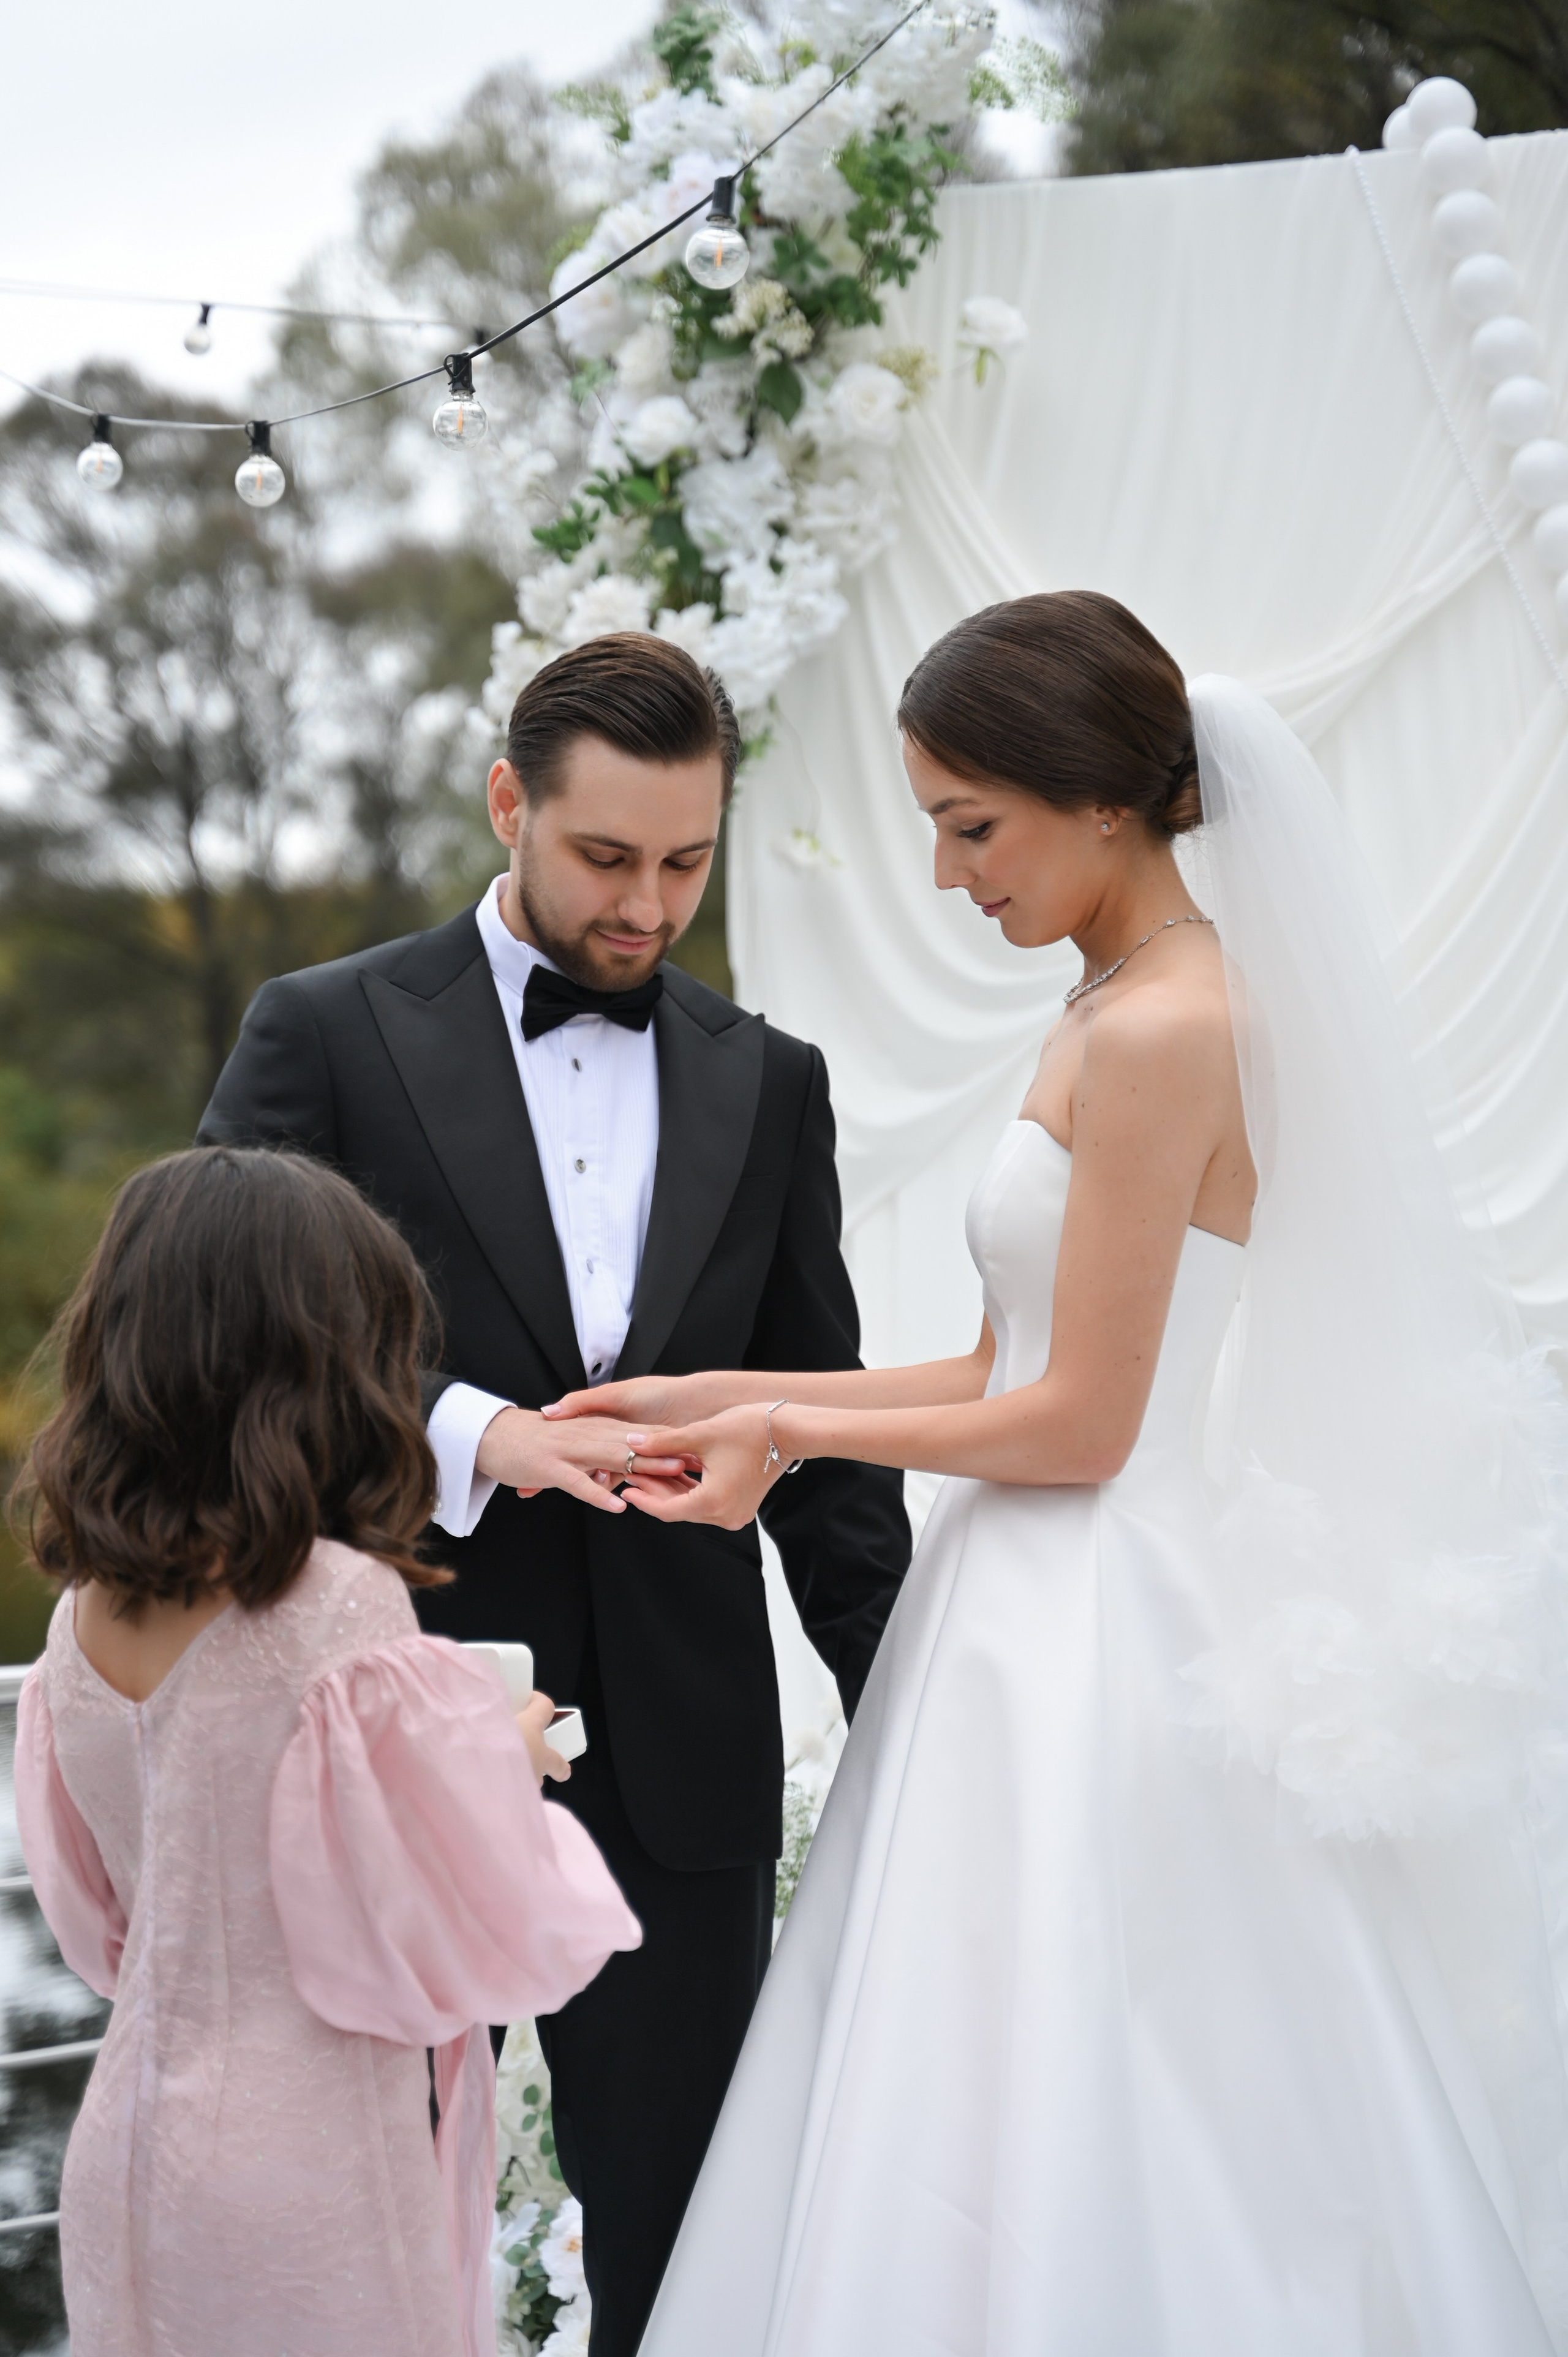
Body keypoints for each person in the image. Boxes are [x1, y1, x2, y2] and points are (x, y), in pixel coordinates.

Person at [557, 593, 1568, 2353]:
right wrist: (700, 1388)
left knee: (1100, 2077)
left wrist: (783, 1433)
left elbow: (1087, 1425)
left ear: (1103, 800)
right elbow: (994, 1367)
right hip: (1015, 1592)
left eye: (970, 827)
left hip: (1105, 1607)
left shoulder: (1174, 1024)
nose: (952, 877)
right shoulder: (1106, 997)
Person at [195, 632, 910, 2356]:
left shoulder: (771, 1079)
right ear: (509, 803)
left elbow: (824, 1435)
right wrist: (467, 1432)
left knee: (684, 2259)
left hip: (689, 1768)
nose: (649, 907)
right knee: (364, 2248)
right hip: (388, 1739)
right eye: (607, 857)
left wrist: (904, 1711)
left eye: (687, 862)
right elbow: (206, 1338)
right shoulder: (324, 1029)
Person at [12, 1145, 640, 2357]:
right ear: (320, 1354)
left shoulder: (77, 1617)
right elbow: (431, 1917)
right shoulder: (332, 1598)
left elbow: (99, 1924)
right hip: (303, 2160)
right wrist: (501, 1756)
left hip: (123, 2149)